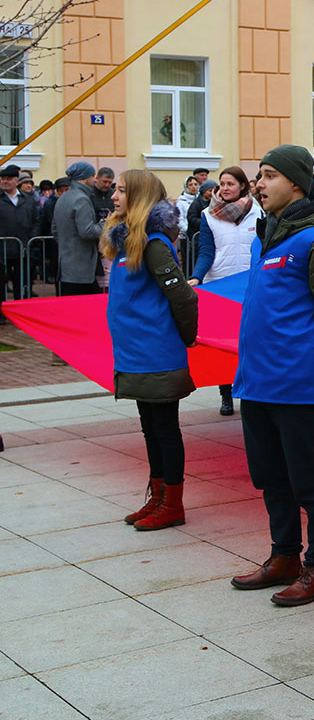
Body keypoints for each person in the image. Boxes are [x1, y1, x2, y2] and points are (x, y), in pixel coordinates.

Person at [228, 144, 314, 607]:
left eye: (268, 176)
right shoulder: (267, 237)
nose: (258, 184)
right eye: (257, 176)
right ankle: (283, 555)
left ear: (296, 183)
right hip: (257, 382)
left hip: (297, 383)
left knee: (308, 481)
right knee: (270, 477)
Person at [102, 170, 198, 531]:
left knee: (164, 429)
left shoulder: (155, 244)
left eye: (122, 191)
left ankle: (173, 504)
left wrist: (186, 337)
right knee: (149, 429)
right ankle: (157, 497)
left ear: (140, 197)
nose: (114, 196)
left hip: (157, 354)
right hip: (135, 354)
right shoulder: (130, 242)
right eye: (115, 190)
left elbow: (183, 296)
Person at [190, 166, 263, 417]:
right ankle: (226, 394)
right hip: (220, 284)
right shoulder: (208, 215)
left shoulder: (259, 212)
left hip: (249, 286)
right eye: (222, 183)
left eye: (230, 183)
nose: (225, 188)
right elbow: (207, 252)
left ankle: (250, 392)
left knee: (250, 342)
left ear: (243, 185)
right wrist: (197, 277)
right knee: (225, 344)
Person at [52, 161, 105, 296]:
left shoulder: (63, 198)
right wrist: (105, 224)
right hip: (82, 267)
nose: (94, 180)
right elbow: (87, 232)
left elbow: (54, 230)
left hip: (65, 265)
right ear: (84, 177)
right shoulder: (82, 199)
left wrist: (67, 243)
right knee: (87, 308)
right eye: (93, 176)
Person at [0, 164, 38, 312]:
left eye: (8, 179)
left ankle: (22, 311)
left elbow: (37, 219)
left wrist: (32, 238)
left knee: (22, 281)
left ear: (16, 180)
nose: (5, 182)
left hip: (23, 248)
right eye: (2, 179)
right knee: (1, 282)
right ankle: (3, 313)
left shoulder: (27, 199)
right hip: (2, 250)